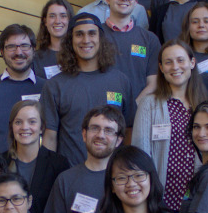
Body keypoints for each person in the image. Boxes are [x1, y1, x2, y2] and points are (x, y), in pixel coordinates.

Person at [40, 12, 136, 165]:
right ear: (70, 41)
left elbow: (129, 130)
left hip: (111, 179)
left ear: (101, 39)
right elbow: (50, 137)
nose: (86, 40)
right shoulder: (54, 86)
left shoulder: (121, 81)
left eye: (92, 33)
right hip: (70, 177)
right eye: (79, 34)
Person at [42, 106, 125, 213]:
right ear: (84, 134)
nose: (100, 135)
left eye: (108, 130)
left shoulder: (127, 181)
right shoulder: (65, 180)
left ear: (118, 140)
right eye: (95, 128)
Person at [132, 41, 206, 211]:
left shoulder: (204, 105)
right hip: (160, 199)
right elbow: (140, 154)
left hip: (197, 197)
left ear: (192, 63)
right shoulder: (149, 104)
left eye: (181, 60)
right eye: (168, 62)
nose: (175, 67)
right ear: (161, 67)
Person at [0, 24, 43, 154]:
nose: (18, 52)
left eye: (24, 46)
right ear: (2, 52)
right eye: (11, 47)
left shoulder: (48, 89)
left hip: (37, 170)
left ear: (34, 49)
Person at [4, 99, 69, 213]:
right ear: (12, 127)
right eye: (18, 122)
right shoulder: (0, 162)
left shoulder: (58, 164)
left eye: (32, 121)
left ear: (42, 128)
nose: (24, 127)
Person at [104, 0, 162, 96]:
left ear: (135, 2)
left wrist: (134, 107)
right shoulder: (95, 35)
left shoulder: (150, 40)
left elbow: (153, 83)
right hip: (101, 111)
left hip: (137, 111)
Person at [35, 0, 73, 81]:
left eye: (63, 16)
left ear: (69, 20)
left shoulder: (78, 55)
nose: (57, 21)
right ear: (45, 21)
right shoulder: (35, 59)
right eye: (52, 16)